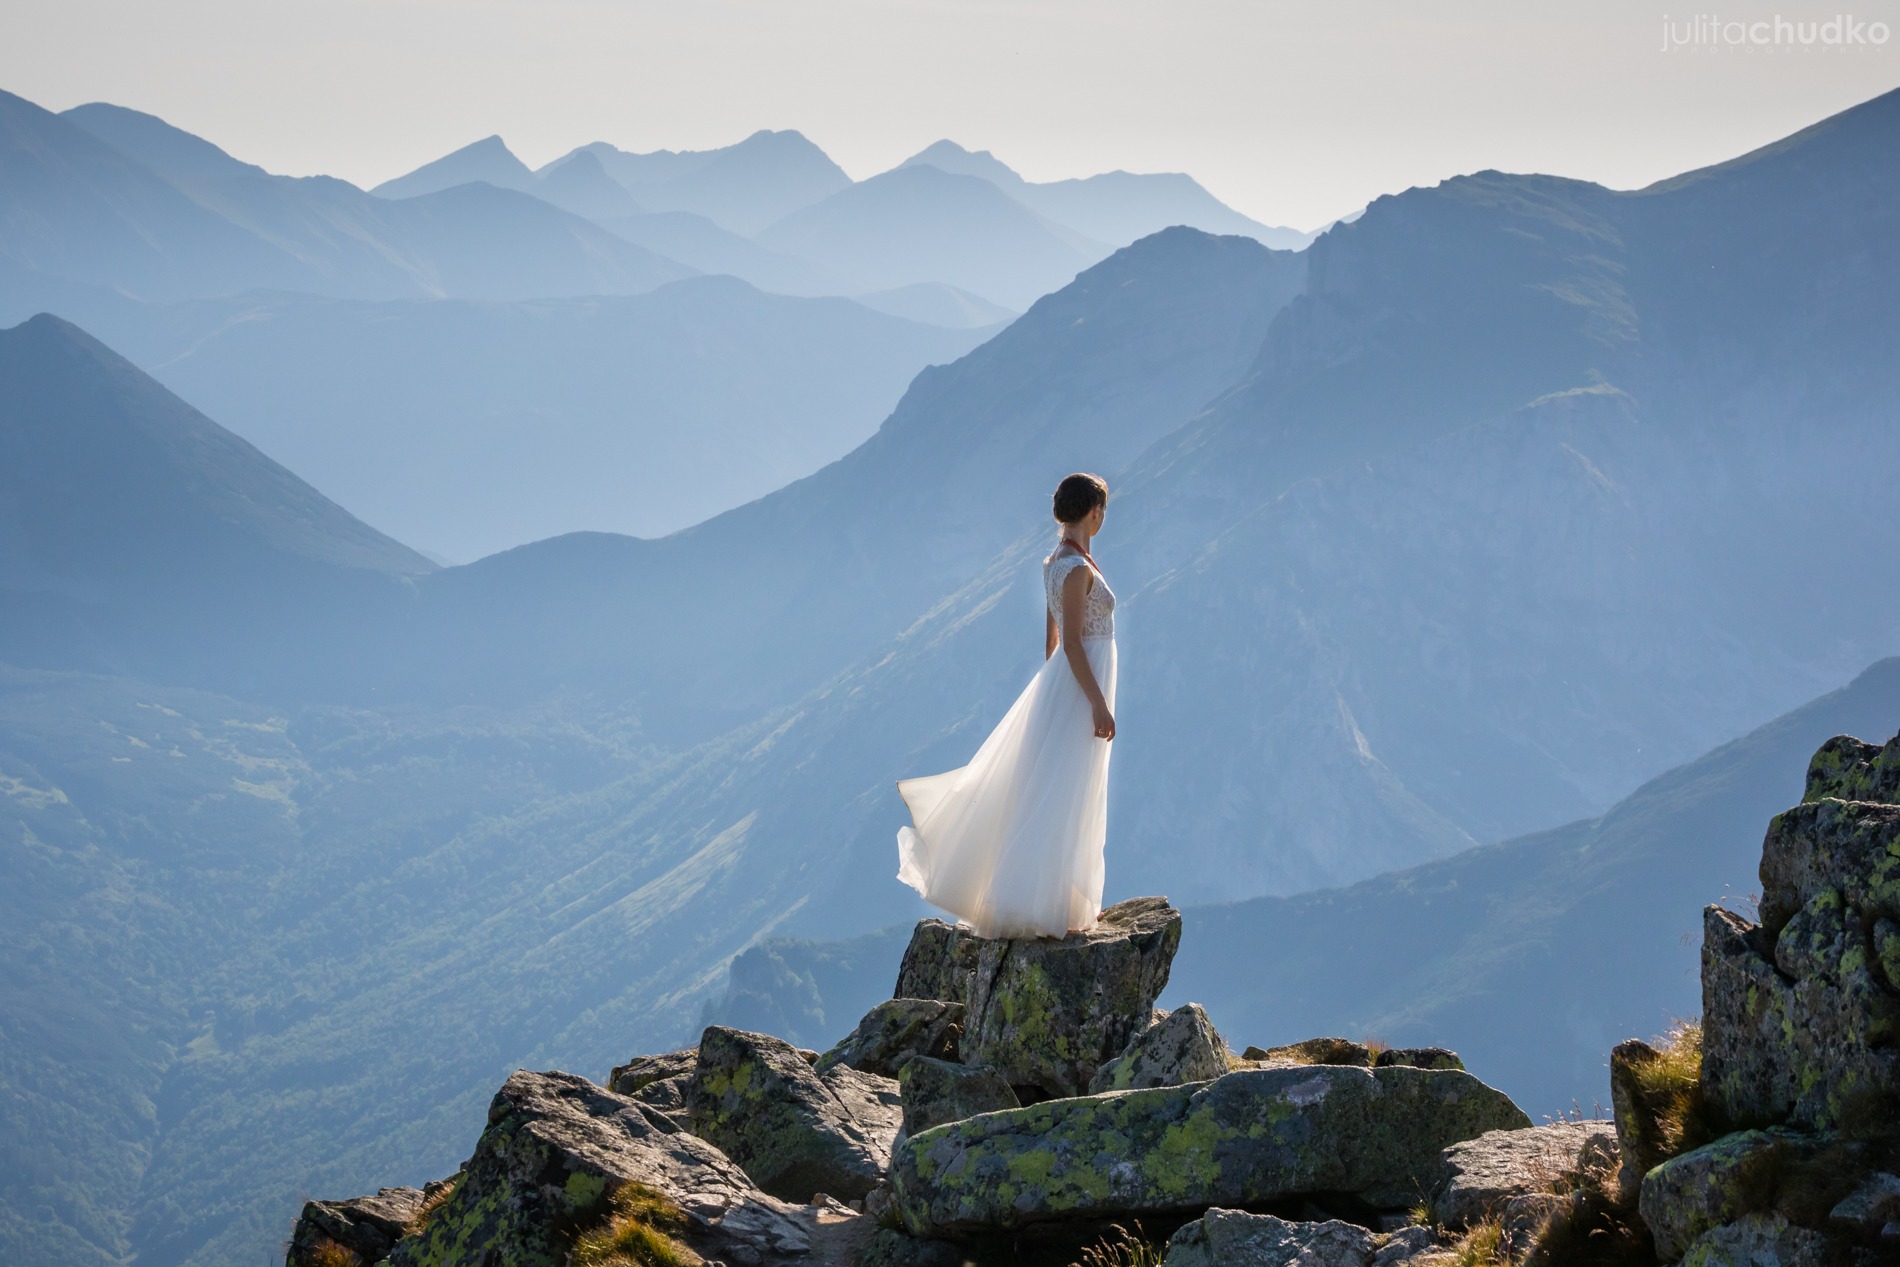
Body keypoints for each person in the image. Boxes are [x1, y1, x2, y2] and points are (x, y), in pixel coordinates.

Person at [894, 472, 1118, 938]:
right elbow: (1071, 642)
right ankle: (1053, 903)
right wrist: (1096, 702)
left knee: (1058, 785)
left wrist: (1054, 691)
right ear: (1093, 511)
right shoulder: (1076, 568)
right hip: (1082, 686)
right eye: (1103, 510)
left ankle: (1063, 899)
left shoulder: (1056, 562)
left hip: (1066, 685)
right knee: (1070, 788)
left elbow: (1052, 640)